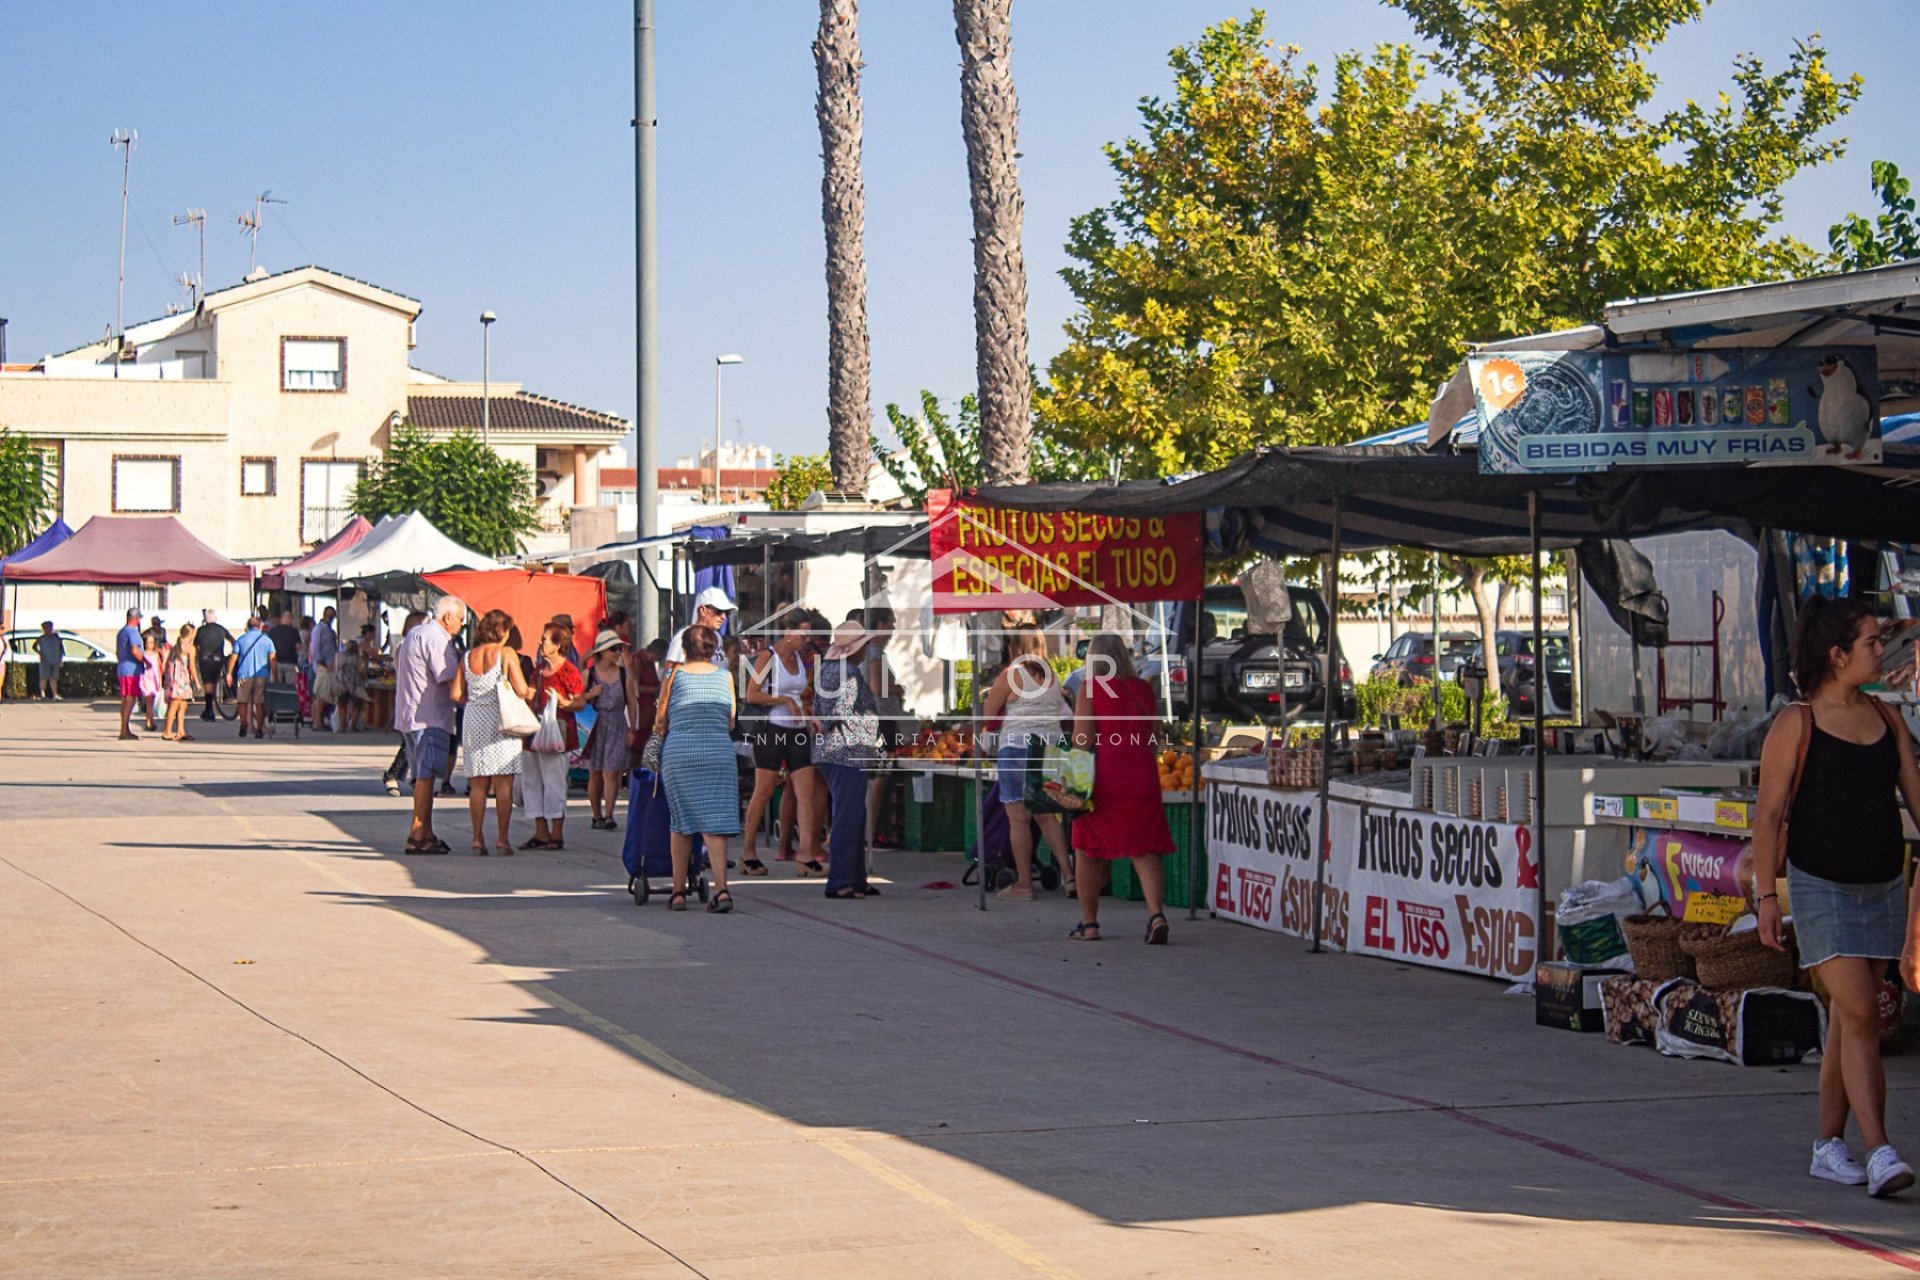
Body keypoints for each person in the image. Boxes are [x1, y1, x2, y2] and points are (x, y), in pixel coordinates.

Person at [1753, 596, 1920, 1197]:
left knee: (1849, 1024)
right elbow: (1769, 817)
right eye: (1873, 642)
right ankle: (1879, 1149)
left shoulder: (1887, 719)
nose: (1882, 650)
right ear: (1838, 654)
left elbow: (1918, 803)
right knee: (1859, 1016)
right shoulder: (1796, 724)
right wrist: (1767, 897)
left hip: (1882, 886)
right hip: (1819, 886)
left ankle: (1828, 1144)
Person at [1066, 634, 1177, 944]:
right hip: (1143, 775)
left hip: (1105, 778)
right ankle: (1156, 915)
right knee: (1144, 847)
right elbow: (1154, 735)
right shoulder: (1143, 689)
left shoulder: (1091, 689)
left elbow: (1082, 740)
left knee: (1087, 847)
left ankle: (1089, 924)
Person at [982, 626, 1072, 901]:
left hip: (1018, 748)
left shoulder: (1011, 675)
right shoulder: (1053, 677)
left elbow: (988, 714)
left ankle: (1024, 884)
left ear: (1014, 647)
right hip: (1050, 750)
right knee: (1047, 817)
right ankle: (1070, 877)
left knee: (1018, 819)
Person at [653, 623, 737, 912]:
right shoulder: (725, 677)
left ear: (684, 649)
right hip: (717, 752)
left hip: (681, 753)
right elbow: (731, 720)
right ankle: (722, 890)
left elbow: (660, 721)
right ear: (713, 650)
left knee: (681, 823)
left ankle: (678, 893)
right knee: (716, 823)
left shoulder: (673, 676)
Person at [740, 619, 826, 878]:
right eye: (803, 634)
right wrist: (784, 699)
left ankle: (806, 855)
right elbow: (751, 694)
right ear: (788, 632)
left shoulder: (800, 660)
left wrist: (806, 715)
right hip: (771, 730)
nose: (806, 640)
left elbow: (801, 695)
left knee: (806, 792)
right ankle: (748, 852)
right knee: (763, 791)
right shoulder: (768, 657)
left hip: (797, 731)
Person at [814, 620, 883, 899]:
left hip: (828, 751)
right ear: (854, 649)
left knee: (853, 814)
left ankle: (855, 878)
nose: (865, 650)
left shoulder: (826, 669)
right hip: (847, 751)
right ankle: (841, 880)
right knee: (848, 816)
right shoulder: (850, 673)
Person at [394, 596, 468, 855]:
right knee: (426, 777)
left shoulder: (415, 633)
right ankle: (417, 832)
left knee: (423, 776)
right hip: (430, 716)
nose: (460, 626)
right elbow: (447, 676)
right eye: (460, 620)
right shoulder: (437, 638)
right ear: (447, 617)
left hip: (411, 714)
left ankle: (425, 831)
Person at [456, 608, 534, 856]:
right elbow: (521, 689)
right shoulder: (507, 653)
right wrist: (529, 692)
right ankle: (502, 839)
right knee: (503, 782)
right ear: (501, 631)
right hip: (501, 718)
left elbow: (456, 694)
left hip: (474, 718)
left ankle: (477, 839)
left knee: (478, 783)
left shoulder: (467, 657)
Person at [521, 622, 585, 850]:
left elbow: (580, 701)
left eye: (545, 639)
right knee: (532, 781)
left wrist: (564, 702)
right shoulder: (538, 670)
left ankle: (556, 831)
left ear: (557, 645)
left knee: (554, 780)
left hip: (558, 731)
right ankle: (540, 830)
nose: (540, 643)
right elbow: (530, 694)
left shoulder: (569, 671)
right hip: (533, 730)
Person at [582, 628, 632, 830]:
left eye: (619, 648)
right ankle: (596, 815)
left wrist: (633, 728)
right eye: (613, 649)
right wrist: (591, 695)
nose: (618, 652)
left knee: (612, 772)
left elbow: (632, 702)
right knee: (595, 772)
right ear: (601, 651)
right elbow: (577, 700)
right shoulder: (590, 674)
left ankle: (609, 814)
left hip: (618, 722)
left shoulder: (623, 674)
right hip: (595, 724)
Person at [382, 611, 429, 794]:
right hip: (411, 700)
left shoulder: (413, 645)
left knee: (412, 743)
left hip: (415, 701)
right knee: (410, 744)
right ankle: (396, 775)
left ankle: (409, 777)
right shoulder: (406, 647)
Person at [663, 587, 737, 668]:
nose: (723, 617)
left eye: (727, 613)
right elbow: (669, 671)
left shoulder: (717, 637)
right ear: (702, 610)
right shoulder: (684, 637)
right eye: (719, 611)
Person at [227, 615, 275, 739]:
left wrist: (228, 673)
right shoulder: (267, 640)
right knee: (260, 703)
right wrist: (274, 676)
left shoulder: (241, 639)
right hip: (262, 675)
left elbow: (233, 657)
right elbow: (273, 660)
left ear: (247, 627)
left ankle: (244, 723)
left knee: (242, 701)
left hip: (245, 674)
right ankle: (259, 729)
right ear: (260, 626)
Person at [161, 623, 201, 741]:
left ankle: (180, 730)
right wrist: (197, 682)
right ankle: (167, 731)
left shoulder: (176, 646)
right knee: (175, 704)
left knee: (183, 704)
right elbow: (192, 667)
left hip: (174, 679)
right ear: (191, 634)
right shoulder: (190, 648)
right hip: (182, 680)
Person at [195, 610, 232, 720]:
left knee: (208, 683)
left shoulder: (201, 630)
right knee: (213, 683)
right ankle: (208, 709)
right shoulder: (221, 629)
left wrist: (197, 655)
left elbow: (195, 645)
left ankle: (209, 709)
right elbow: (232, 640)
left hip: (205, 659)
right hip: (218, 658)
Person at [310, 605, 340, 731]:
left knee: (323, 696)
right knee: (321, 696)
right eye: (329, 616)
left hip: (330, 666)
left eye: (333, 617)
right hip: (323, 667)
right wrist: (322, 663)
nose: (331, 619)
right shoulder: (319, 629)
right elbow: (315, 648)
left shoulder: (330, 631)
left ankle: (318, 720)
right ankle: (317, 722)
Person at [334, 638, 368, 733]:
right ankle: (353, 726)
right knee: (357, 704)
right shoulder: (358, 657)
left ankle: (342, 726)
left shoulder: (339, 655)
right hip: (355, 683)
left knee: (342, 704)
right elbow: (362, 670)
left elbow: (336, 668)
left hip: (341, 682)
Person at [138, 629, 164, 732]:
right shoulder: (143, 654)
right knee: (149, 700)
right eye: (148, 642)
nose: (150, 644)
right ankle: (150, 722)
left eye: (152, 642)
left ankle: (150, 721)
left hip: (154, 679)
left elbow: (159, 667)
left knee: (151, 701)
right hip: (146, 678)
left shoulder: (156, 654)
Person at [268, 611, 300, 683]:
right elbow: (298, 647)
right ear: (291, 620)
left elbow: (269, 645)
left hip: (276, 662)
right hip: (290, 662)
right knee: (290, 687)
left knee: (275, 686)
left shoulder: (273, 630)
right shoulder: (294, 631)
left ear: (281, 619)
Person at [34, 621, 63, 701]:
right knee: (43, 678)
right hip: (45, 660)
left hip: (55, 660)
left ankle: (55, 694)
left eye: (49, 627)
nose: (48, 629)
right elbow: (34, 646)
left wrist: (60, 659)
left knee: (53, 678)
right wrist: (40, 653)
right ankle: (42, 694)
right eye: (46, 627)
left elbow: (61, 649)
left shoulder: (56, 637)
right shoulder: (42, 638)